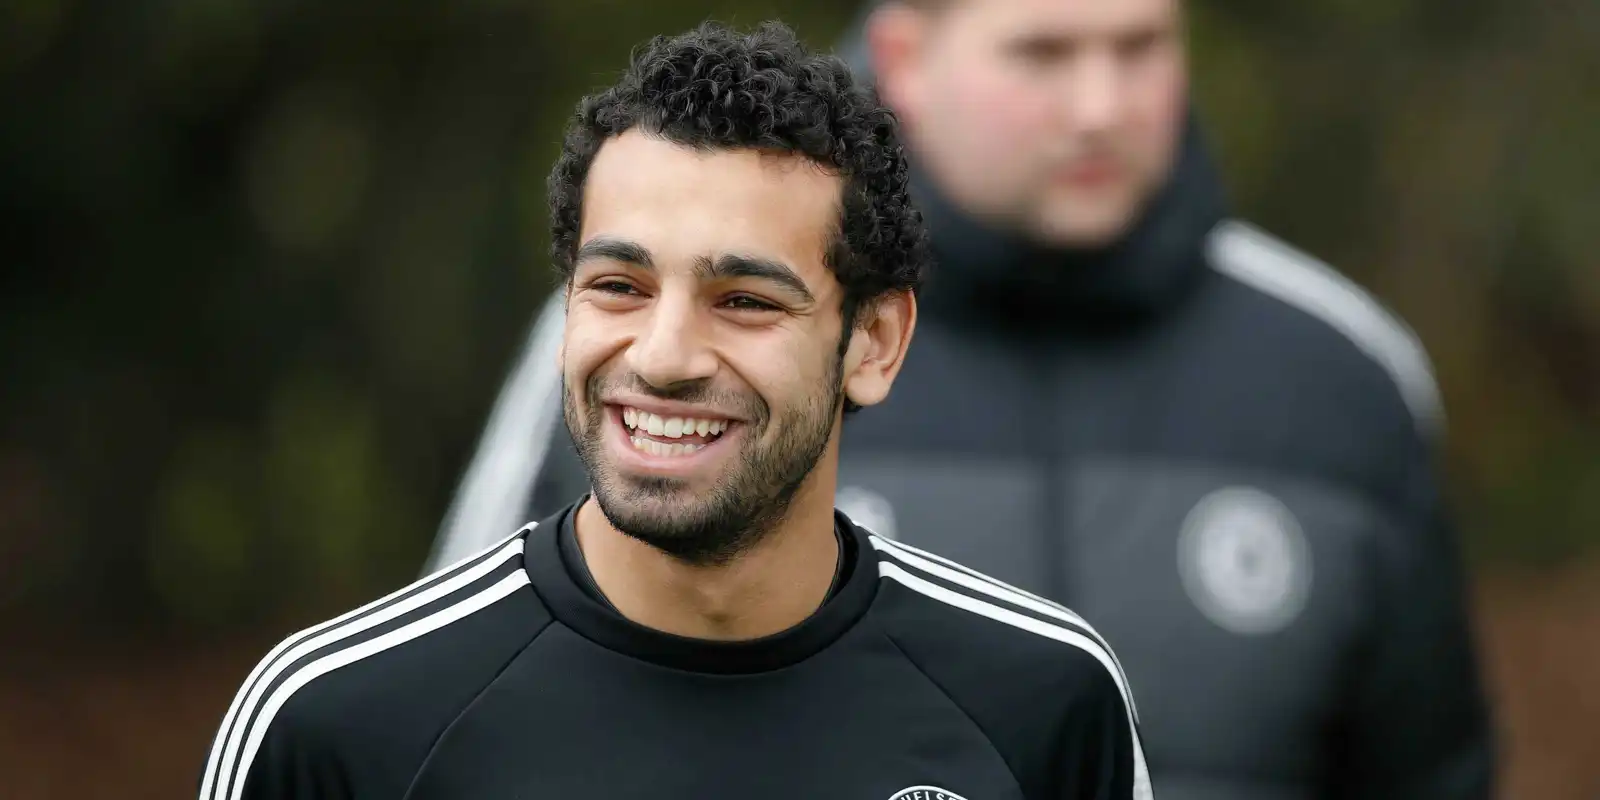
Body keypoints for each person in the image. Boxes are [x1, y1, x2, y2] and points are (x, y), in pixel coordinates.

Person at [427, 1, 1496, 798]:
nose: (1100, 107)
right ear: (906, 58)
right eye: (1043, 54)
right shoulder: (653, 352)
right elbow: (454, 712)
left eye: (1138, 48)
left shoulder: (1340, 373)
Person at [199, 21, 1150, 800]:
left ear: (874, 342)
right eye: (619, 286)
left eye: (744, 300)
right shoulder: (337, 723)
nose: (662, 357)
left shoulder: (1045, 704)